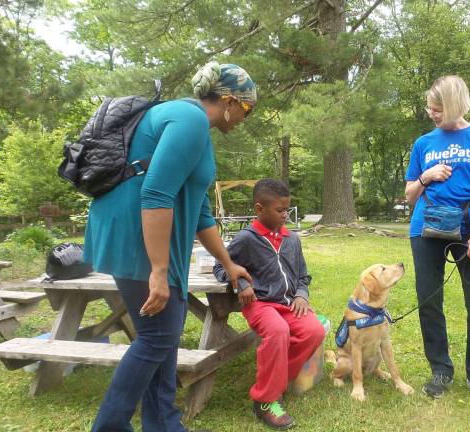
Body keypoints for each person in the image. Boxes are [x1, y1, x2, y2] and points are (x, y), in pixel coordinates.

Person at [84, 61, 257, 432]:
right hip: (138, 239)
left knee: (163, 336)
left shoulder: (194, 128)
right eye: (247, 108)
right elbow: (156, 193)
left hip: (151, 241)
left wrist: (228, 263)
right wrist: (158, 271)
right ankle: (109, 427)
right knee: (158, 335)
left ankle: (163, 424)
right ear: (229, 101)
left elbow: (201, 214)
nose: (246, 117)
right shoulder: (189, 119)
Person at [404, 75, 470, 403]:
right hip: (426, 229)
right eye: (429, 107)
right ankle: (440, 369)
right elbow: (409, 195)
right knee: (429, 301)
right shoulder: (423, 144)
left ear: (455, 106)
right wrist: (426, 175)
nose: (431, 112)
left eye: (437, 108)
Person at [213, 179, 325, 430]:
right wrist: (242, 285)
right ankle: (265, 400)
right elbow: (221, 267)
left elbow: (303, 276)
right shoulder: (246, 238)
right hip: (260, 304)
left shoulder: (292, 240)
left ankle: (276, 383)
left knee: (314, 330)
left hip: (289, 303)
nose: (285, 215)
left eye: (287, 209)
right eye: (279, 210)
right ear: (259, 209)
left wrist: (302, 295)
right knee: (277, 331)